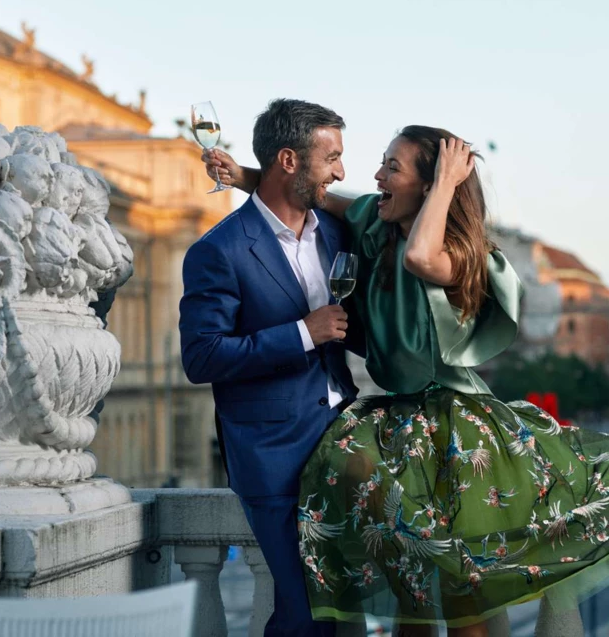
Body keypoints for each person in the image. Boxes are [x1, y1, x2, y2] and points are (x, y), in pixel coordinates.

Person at [205, 127, 609, 637]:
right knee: (411, 597)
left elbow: (422, 257)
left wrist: (444, 185)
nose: (376, 177)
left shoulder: (463, 256)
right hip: (394, 426)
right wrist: (245, 176)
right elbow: (322, 196)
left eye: (392, 168)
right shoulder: (377, 230)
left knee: (467, 607)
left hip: (456, 431)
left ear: (429, 185)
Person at [180, 99, 364, 637]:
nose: (340, 171)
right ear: (289, 159)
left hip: (342, 438)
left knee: (336, 606)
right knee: (306, 612)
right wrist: (305, 333)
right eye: (331, 157)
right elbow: (202, 357)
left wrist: (244, 174)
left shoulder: (334, 232)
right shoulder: (219, 251)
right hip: (273, 454)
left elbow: (379, 212)